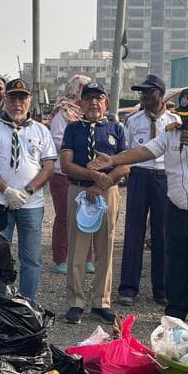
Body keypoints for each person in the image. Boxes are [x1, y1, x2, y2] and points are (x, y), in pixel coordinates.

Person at [91, 87, 188, 328]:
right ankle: (175, 315)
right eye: (183, 114)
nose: (185, 119)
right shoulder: (172, 133)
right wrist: (114, 160)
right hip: (178, 207)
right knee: (177, 262)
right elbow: (145, 151)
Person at [0, 78, 56, 304]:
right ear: (5, 100)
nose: (17, 103)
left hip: (31, 204)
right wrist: (7, 191)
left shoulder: (41, 131)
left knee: (31, 258)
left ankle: (26, 305)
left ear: (29, 100)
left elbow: (49, 166)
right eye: (12, 97)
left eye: (22, 97)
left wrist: (28, 191)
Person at [59, 82, 128, 325]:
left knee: (105, 247)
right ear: (80, 103)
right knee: (77, 248)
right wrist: (92, 177)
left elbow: (124, 164)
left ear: (106, 103)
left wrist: (102, 183)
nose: (93, 103)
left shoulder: (115, 129)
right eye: (88, 98)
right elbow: (66, 164)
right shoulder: (73, 129)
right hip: (79, 190)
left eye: (98, 98)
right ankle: (76, 302)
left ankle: (101, 302)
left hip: (108, 191)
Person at [117, 74, 177, 306]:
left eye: (148, 91)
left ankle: (161, 289)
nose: (143, 95)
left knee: (162, 234)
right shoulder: (133, 121)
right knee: (134, 232)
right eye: (141, 91)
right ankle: (128, 288)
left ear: (160, 95)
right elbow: (128, 151)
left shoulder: (174, 122)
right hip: (140, 176)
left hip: (163, 177)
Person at [47, 74, 92, 274]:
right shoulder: (62, 113)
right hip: (62, 173)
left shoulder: (85, 114)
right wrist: (77, 149)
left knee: (88, 214)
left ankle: (86, 257)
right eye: (85, 91)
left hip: (84, 171)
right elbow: (57, 141)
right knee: (65, 215)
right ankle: (61, 257)